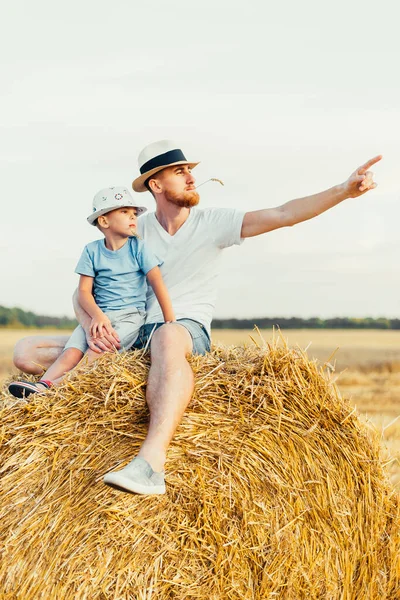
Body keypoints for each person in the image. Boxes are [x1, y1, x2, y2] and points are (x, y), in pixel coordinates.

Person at [12, 139, 381, 496]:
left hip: (183, 330)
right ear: (155, 185)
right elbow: (83, 292)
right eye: (179, 171)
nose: (190, 177)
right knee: (27, 352)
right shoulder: (134, 229)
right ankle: (51, 395)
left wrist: (343, 190)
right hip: (131, 330)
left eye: (189, 169)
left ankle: (151, 464)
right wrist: (93, 321)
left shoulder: (214, 222)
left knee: (167, 336)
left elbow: (284, 214)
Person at [9, 186, 175, 399]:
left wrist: (170, 320)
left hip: (128, 317)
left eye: (134, 213)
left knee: (98, 351)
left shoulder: (139, 248)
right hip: (98, 316)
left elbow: (157, 282)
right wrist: (97, 316)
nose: (132, 217)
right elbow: (84, 292)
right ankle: (43, 385)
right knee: (72, 351)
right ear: (104, 221)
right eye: (124, 212)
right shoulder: (92, 250)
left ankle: (56, 387)